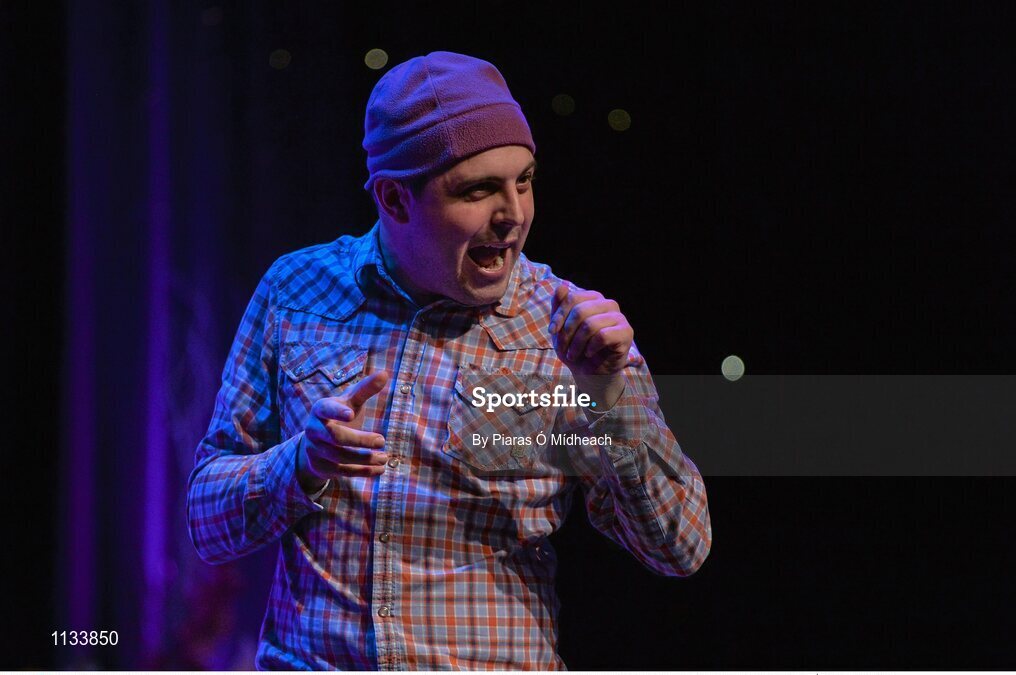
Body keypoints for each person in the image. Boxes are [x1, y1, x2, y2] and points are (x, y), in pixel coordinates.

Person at [187, 51, 711, 670]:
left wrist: (605, 395)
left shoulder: (565, 332)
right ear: (394, 199)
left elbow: (680, 547)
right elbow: (207, 522)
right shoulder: (296, 291)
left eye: (524, 180)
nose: (513, 214)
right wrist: (301, 464)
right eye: (478, 189)